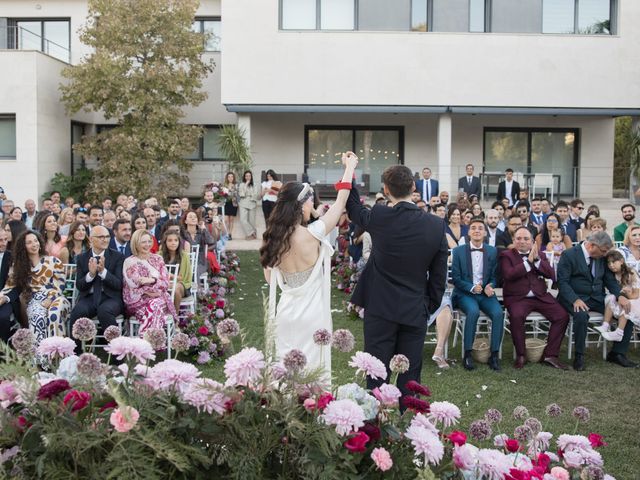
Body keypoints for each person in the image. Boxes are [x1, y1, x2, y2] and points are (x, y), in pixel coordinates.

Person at [345, 162, 447, 396]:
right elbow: (439, 276)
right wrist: (428, 306)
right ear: (413, 186)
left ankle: (376, 426)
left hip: (380, 308)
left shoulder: (380, 215)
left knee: (377, 376)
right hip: (414, 308)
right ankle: (405, 426)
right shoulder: (435, 225)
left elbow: (353, 209)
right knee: (410, 379)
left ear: (386, 190)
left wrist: (349, 170)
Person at [261, 152, 359, 384]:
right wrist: (349, 167)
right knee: (313, 372)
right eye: (310, 201)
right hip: (313, 314)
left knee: (285, 369)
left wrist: (312, 213)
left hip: (285, 313)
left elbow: (270, 280)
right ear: (302, 204)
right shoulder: (314, 233)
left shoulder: (271, 238)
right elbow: (340, 201)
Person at [557, 231, 636, 370]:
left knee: (627, 310)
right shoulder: (569, 255)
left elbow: (609, 280)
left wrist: (620, 296)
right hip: (575, 297)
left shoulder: (601, 257)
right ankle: (579, 356)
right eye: (604, 251)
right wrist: (575, 299)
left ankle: (617, 353)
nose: (606, 254)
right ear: (592, 246)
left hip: (597, 297)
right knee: (581, 316)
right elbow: (562, 282)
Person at [499, 227, 569, 370]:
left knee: (562, 316)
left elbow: (551, 275)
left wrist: (536, 260)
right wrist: (528, 262)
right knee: (516, 316)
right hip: (518, 298)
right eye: (518, 238)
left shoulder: (540, 255)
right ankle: (521, 355)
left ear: (532, 241)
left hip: (540, 296)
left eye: (526, 239)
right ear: (513, 240)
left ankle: (550, 355)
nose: (522, 242)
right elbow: (509, 275)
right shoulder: (506, 255)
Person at [451, 218, 503, 371]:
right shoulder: (458, 251)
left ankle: (494, 355)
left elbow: (495, 276)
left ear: (485, 233)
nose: (477, 230)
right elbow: (456, 278)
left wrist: (491, 285)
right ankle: (467, 354)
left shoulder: (492, 251)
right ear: (469, 232)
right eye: (473, 227)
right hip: (465, 293)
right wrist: (472, 287)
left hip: (486, 294)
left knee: (498, 313)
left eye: (480, 228)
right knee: (473, 312)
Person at [0, 231, 69, 346]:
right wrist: (2, 297)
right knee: (37, 313)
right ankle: (40, 356)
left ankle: (58, 352)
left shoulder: (53, 261)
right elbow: (9, 286)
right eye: (29, 242)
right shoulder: (19, 266)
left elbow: (60, 285)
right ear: (23, 247)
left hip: (56, 298)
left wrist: (50, 299)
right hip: (34, 300)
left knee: (54, 313)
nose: (34, 244)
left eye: (36, 241)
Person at [69, 226, 125, 347]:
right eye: (101, 237)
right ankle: (75, 353)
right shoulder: (82, 258)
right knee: (77, 312)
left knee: (104, 311)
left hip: (111, 298)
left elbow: (118, 284)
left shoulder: (118, 257)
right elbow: (80, 286)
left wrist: (103, 272)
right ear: (91, 239)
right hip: (89, 297)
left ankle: (117, 353)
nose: (105, 240)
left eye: (107, 237)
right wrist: (91, 274)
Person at [123, 230, 176, 337]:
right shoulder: (129, 262)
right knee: (154, 308)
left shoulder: (158, 259)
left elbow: (165, 283)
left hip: (160, 300)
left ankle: (144, 341)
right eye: (143, 242)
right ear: (136, 243)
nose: (147, 245)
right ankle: (153, 342)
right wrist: (153, 290)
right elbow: (134, 285)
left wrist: (152, 280)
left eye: (149, 241)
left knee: (154, 305)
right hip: (138, 302)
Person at [596, 250, 640, 343]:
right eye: (609, 263)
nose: (611, 265)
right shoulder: (611, 275)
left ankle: (619, 333)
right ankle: (605, 325)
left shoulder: (631, 273)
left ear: (621, 261)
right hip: (619, 300)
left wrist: (627, 294)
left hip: (635, 300)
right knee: (611, 297)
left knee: (628, 304)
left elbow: (636, 295)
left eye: (614, 262)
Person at [160, 231, 192, 311]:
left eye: (175, 240)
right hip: (163, 283)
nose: (173, 243)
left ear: (179, 242)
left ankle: (175, 318)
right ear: (165, 242)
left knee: (176, 288)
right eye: (170, 240)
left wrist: (170, 276)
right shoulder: (159, 255)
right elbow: (157, 273)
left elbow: (183, 278)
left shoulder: (184, 256)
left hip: (181, 285)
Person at [181, 210, 216, 276]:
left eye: (195, 217)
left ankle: (197, 286)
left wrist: (204, 228)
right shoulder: (182, 234)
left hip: (200, 263)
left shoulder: (202, 232)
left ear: (197, 221)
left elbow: (211, 241)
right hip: (186, 262)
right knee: (186, 270)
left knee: (196, 270)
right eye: (190, 217)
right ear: (185, 221)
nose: (193, 218)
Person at [238, 170, 261, 240]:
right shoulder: (242, 184)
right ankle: (252, 232)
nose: (248, 177)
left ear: (251, 177)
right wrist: (246, 185)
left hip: (252, 202)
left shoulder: (255, 185)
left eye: (249, 176)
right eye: (246, 176)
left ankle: (251, 235)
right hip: (243, 203)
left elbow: (256, 194)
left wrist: (252, 196)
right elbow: (241, 194)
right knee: (242, 220)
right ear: (244, 177)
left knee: (252, 221)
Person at [222, 172, 238, 240]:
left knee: (231, 219)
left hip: (233, 203)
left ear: (233, 177)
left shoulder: (236, 185)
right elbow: (222, 194)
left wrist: (231, 190)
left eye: (232, 176)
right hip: (226, 203)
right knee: (226, 219)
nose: (230, 178)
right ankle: (226, 233)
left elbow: (236, 194)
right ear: (227, 178)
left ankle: (230, 234)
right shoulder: (224, 185)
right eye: (229, 177)